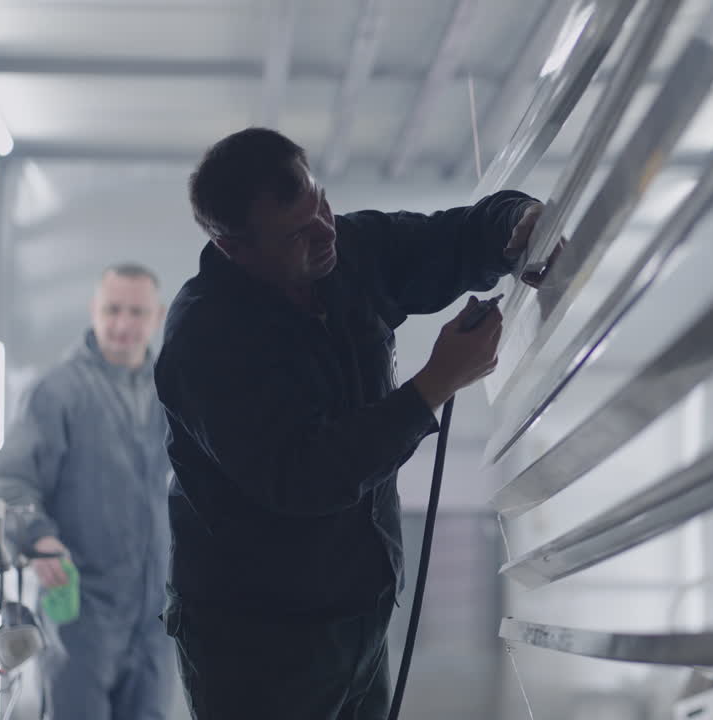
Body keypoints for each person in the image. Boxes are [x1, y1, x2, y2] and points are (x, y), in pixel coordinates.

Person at [154, 127, 545, 719]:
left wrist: (516, 224)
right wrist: (434, 384)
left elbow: (452, 237)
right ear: (235, 248)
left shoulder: (345, 255)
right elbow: (304, 475)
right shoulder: (207, 340)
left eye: (324, 204)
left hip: (358, 613)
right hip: (259, 646)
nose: (326, 231)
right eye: (297, 232)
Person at [0, 264, 175, 720]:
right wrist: (39, 538)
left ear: (158, 316)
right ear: (93, 310)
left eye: (136, 312)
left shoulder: (171, 393)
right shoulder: (57, 393)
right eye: (112, 310)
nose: (123, 324)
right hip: (80, 613)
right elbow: (7, 482)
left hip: (157, 616)